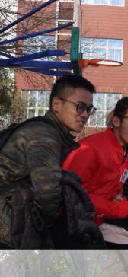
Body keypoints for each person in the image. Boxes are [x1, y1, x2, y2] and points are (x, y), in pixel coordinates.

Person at [0, 74, 96, 248]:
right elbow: (48, 194)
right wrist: (47, 229)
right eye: (80, 107)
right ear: (56, 104)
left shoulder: (45, 129)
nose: (85, 115)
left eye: (89, 109)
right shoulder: (44, 136)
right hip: (7, 229)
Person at [63, 97, 128, 249]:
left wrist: (120, 204)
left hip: (94, 232)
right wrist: (118, 209)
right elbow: (70, 197)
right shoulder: (88, 149)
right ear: (116, 121)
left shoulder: (127, 157)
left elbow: (114, 196)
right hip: (68, 234)